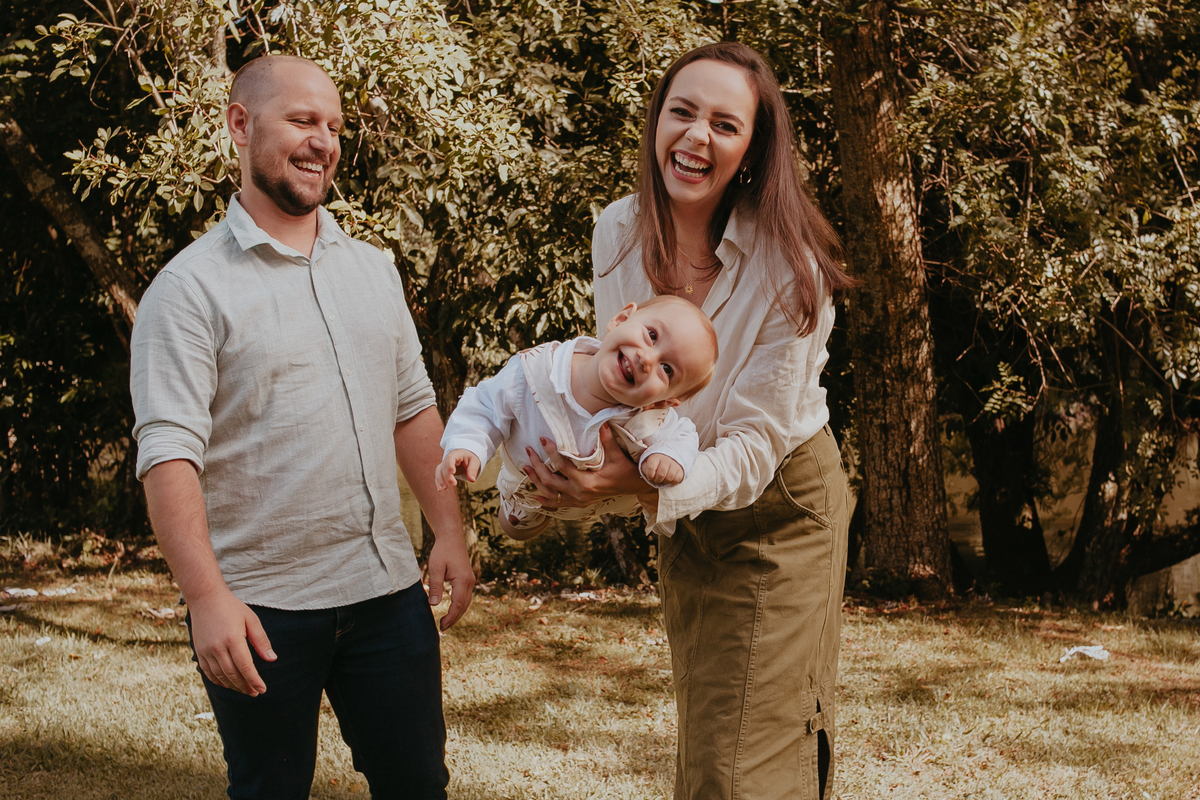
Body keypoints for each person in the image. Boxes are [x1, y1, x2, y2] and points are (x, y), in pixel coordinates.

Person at [129, 55, 475, 799]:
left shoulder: (374, 270)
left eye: (334, 126)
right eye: (302, 120)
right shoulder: (188, 291)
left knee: (419, 785)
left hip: (387, 598)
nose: (324, 141)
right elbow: (168, 457)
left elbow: (412, 408)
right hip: (261, 612)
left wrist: (450, 530)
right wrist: (205, 598)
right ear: (240, 124)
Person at [521, 43, 856, 800]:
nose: (696, 137)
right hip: (684, 497)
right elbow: (624, 383)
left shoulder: (789, 269)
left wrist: (636, 487)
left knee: (744, 760)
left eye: (724, 124)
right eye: (682, 112)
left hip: (780, 509)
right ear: (656, 122)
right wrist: (575, 470)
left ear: (751, 151)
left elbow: (755, 445)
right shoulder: (618, 231)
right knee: (714, 741)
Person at [436, 295, 718, 539]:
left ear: (666, 400)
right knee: (516, 528)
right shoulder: (536, 371)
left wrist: (670, 457)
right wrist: (466, 445)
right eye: (652, 336)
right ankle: (522, 514)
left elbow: (684, 435)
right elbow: (485, 403)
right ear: (620, 319)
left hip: (599, 503)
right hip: (528, 486)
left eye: (667, 369)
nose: (647, 359)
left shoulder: (649, 417)